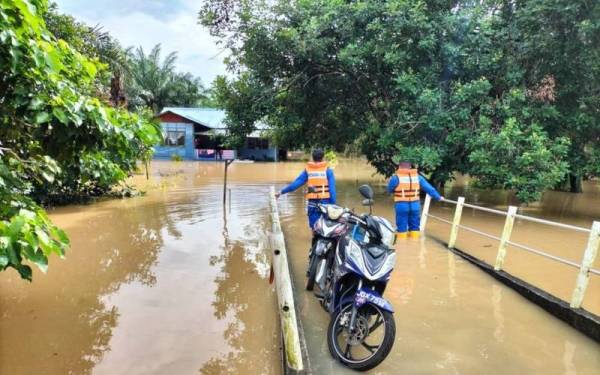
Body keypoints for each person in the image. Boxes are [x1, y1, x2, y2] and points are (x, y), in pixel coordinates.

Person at [275, 149, 336, 228]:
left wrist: (281, 192)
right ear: (323, 158)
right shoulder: (328, 171)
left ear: (312, 158)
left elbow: (294, 185)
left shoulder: (308, 171)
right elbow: (332, 191)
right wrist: (334, 206)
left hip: (313, 205)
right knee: (327, 227)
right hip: (326, 204)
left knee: (314, 228)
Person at [387, 161, 443, 240]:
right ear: (410, 167)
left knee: (402, 226)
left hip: (402, 206)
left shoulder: (395, 178)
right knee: (415, 226)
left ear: (399, 167)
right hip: (415, 206)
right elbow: (429, 188)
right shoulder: (418, 177)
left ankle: (403, 245)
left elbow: (389, 190)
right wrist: (438, 197)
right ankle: (415, 243)